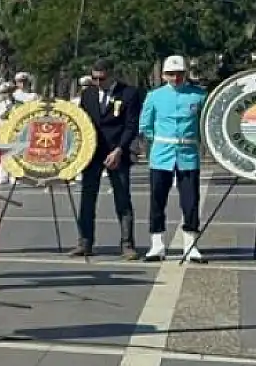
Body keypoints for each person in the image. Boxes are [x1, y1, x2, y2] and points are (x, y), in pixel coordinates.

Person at [73, 57, 143, 259]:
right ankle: (85, 242)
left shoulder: (128, 93)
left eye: (101, 78)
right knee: (87, 199)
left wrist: (120, 150)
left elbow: (131, 125)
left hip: (117, 152)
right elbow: (84, 123)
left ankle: (127, 244)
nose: (97, 83)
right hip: (93, 153)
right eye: (94, 78)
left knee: (122, 199)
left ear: (111, 75)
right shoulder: (88, 94)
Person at [138, 55, 206, 262]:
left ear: (185, 74)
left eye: (179, 74)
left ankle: (190, 244)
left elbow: (205, 123)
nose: (175, 78)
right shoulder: (154, 96)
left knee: (191, 201)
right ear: (164, 75)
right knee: (157, 200)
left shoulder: (199, 96)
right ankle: (157, 244)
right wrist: (155, 142)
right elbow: (145, 125)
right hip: (161, 155)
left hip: (188, 154)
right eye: (171, 74)